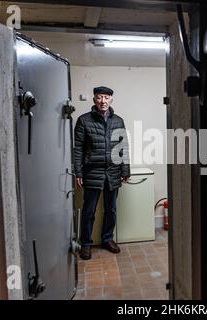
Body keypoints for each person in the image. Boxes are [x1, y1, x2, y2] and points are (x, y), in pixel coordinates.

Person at [74, 86, 130, 260]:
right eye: (99, 97)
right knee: (89, 211)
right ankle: (86, 244)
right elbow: (78, 149)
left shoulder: (118, 121)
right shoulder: (84, 120)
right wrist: (78, 172)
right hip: (92, 172)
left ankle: (107, 239)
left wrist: (125, 169)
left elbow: (123, 148)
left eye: (106, 97)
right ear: (94, 100)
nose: (103, 101)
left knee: (111, 210)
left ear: (111, 100)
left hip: (113, 172)